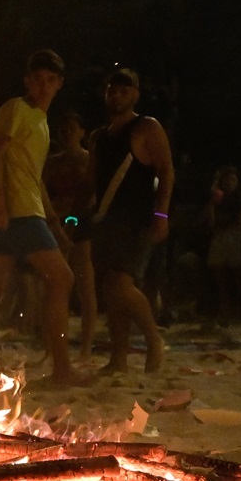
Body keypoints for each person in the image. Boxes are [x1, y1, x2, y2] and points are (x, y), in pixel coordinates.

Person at [0, 49, 79, 386]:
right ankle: (62, 369)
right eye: (37, 80)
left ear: (58, 84)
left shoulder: (41, 122)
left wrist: (55, 222)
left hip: (25, 210)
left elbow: (34, 175)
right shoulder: (17, 107)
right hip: (18, 212)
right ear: (28, 81)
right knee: (62, 279)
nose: (43, 87)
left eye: (50, 81)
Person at [85, 68, 172, 374]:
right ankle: (118, 356)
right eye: (112, 90)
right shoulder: (98, 136)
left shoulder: (147, 127)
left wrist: (161, 214)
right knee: (110, 290)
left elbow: (166, 171)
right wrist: (77, 216)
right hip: (106, 220)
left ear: (135, 94)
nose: (117, 95)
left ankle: (153, 339)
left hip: (136, 220)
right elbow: (92, 181)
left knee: (122, 284)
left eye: (124, 90)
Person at [43, 110, 97, 360]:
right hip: (56, 222)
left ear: (82, 133)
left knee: (85, 284)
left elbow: (91, 195)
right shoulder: (53, 161)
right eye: (63, 129)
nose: (67, 133)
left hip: (82, 222)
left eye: (72, 129)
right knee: (55, 285)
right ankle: (51, 346)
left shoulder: (89, 160)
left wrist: (74, 220)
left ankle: (86, 347)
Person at [206, 165, 241, 327]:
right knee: (221, 279)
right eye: (226, 179)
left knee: (240, 277)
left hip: (234, 239)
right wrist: (212, 204)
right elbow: (211, 223)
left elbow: (239, 223)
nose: (229, 182)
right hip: (219, 239)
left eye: (233, 179)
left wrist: (221, 225)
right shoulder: (218, 199)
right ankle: (225, 312)